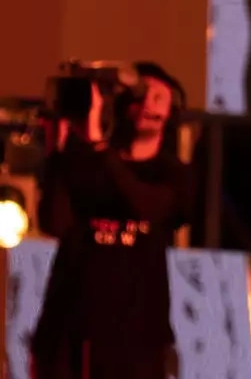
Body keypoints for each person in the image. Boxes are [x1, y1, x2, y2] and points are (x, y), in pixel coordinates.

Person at [30, 62, 193, 379]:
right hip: (69, 338)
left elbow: (150, 208)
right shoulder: (85, 160)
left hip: (138, 344)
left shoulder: (174, 174)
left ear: (171, 110)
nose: (146, 104)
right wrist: (60, 151)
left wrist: (98, 147)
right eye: (138, 96)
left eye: (157, 97)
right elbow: (54, 224)